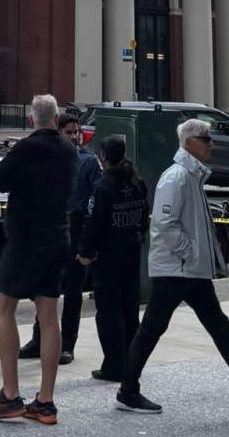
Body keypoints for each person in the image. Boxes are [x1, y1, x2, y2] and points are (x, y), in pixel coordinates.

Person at [117, 118, 229, 416]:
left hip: (185, 269)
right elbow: (165, 224)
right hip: (178, 269)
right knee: (160, 329)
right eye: (206, 138)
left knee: (203, 328)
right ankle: (128, 390)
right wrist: (191, 252)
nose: (211, 143)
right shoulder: (177, 178)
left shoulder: (189, 176)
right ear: (189, 143)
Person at [0, 94, 76, 425]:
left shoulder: (27, 148)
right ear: (56, 117)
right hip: (58, 236)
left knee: (2, 308)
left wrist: (16, 150)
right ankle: (45, 401)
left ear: (33, 118)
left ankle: (10, 394)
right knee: (48, 315)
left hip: (25, 239)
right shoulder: (69, 150)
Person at [19, 113, 101, 364]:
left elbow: (98, 195)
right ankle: (39, 338)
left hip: (75, 231)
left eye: (76, 132)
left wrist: (88, 235)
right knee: (43, 287)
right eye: (69, 132)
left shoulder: (87, 162)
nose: (75, 136)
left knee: (72, 289)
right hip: (49, 230)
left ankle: (67, 344)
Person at [77, 135, 147, 383]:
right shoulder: (137, 181)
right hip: (131, 251)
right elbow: (144, 217)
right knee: (130, 311)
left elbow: (94, 222)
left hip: (108, 258)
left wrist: (85, 252)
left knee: (108, 313)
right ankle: (131, 361)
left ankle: (113, 365)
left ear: (104, 156)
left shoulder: (104, 185)